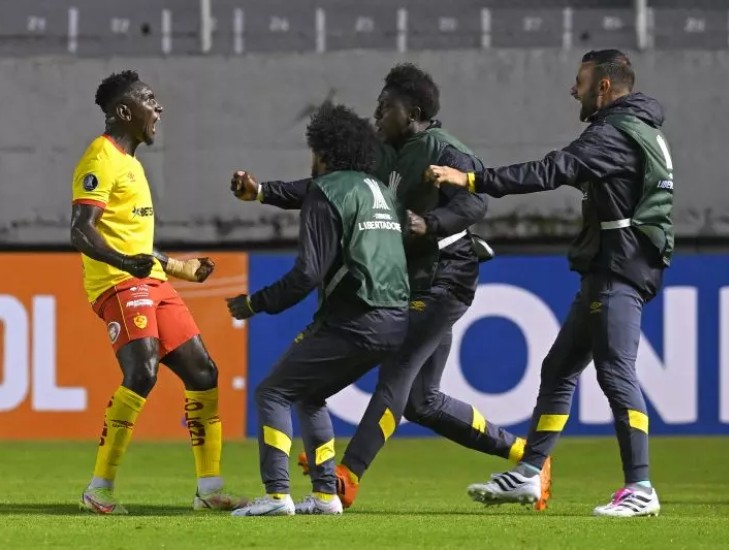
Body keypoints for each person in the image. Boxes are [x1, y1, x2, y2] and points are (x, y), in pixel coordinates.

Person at [231, 63, 551, 511]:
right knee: (422, 401)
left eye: (387, 105)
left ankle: (348, 475)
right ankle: (526, 455)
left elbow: (475, 201)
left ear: (414, 110)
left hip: (446, 276)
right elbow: (330, 185)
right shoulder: (382, 152)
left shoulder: (444, 149)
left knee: (396, 369)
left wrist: (431, 223)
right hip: (411, 278)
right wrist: (264, 191)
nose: (378, 111)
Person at [427, 49, 673, 518]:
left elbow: (548, 171)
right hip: (612, 267)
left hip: (618, 270)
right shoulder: (641, 128)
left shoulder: (611, 135)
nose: (572, 89)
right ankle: (529, 471)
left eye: (579, 81)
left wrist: (471, 179)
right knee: (559, 369)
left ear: (603, 86)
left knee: (615, 373)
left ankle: (640, 487)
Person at [70, 70, 241, 515]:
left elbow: (137, 246)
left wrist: (181, 268)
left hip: (152, 282)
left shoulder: (132, 164)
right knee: (142, 372)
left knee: (204, 372)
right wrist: (127, 266)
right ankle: (98, 488)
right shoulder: (100, 158)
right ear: (124, 111)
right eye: (149, 100)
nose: (158, 108)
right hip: (116, 283)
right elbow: (80, 232)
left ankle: (209, 489)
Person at [226, 102, 409, 516]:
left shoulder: (325, 193)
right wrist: (262, 192)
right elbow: (304, 191)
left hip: (356, 318)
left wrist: (256, 303)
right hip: (395, 320)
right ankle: (326, 495)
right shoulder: (379, 190)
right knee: (311, 396)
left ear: (323, 152)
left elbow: (307, 275)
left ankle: (276, 496)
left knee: (271, 393)